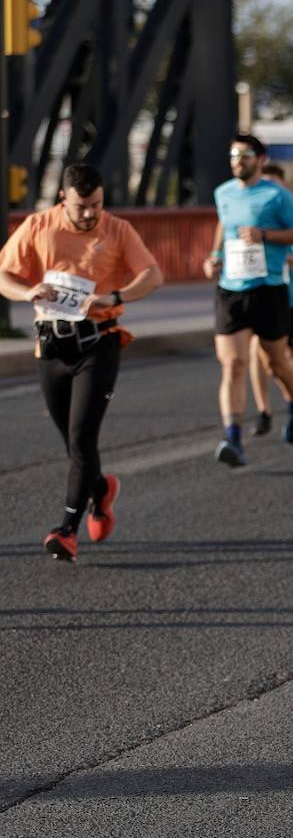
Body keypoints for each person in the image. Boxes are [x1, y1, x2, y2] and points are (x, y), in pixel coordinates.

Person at [0, 164, 164, 560]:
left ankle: (66, 530)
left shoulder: (118, 230)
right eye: (82, 206)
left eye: (97, 204)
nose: (91, 213)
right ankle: (101, 490)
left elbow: (152, 274)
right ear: (63, 199)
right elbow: (4, 275)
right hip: (52, 348)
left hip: (98, 343)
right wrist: (27, 292)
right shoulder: (38, 226)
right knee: (72, 444)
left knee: (81, 438)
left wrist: (115, 297)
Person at [202, 135, 293, 466]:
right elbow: (224, 224)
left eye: (245, 155)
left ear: (260, 160)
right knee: (233, 364)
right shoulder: (223, 193)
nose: (238, 160)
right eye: (233, 155)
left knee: (276, 362)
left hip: (269, 288)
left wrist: (265, 235)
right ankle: (232, 439)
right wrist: (214, 256)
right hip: (231, 288)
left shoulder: (278, 195)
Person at [248, 164, 293, 435]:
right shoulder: (254, 223)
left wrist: (279, 254)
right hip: (260, 293)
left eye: (273, 184)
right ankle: (263, 411)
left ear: (284, 187)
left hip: (290, 298)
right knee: (257, 351)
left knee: (291, 351)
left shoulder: (291, 223)